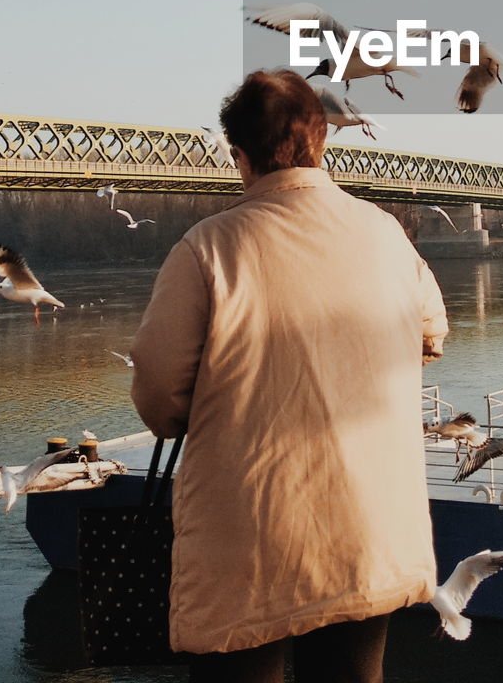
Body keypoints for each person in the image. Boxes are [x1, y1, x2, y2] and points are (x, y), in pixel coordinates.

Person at [131, 69, 449, 683]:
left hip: (249, 536)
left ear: (239, 154)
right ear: (322, 141)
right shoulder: (385, 233)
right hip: (368, 522)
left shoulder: (206, 249)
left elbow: (160, 396)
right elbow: (431, 334)